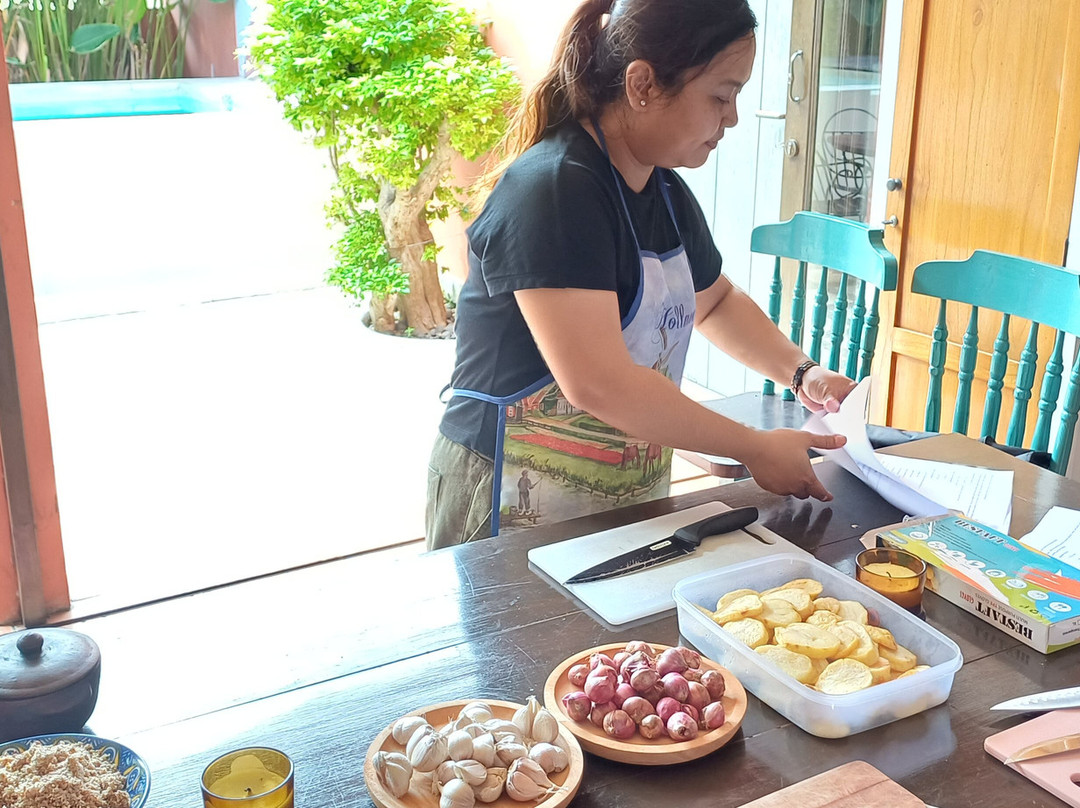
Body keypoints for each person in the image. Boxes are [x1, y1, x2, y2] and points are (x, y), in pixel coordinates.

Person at [426, 0, 854, 551]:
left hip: (622, 489)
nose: (732, 118)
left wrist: (801, 372)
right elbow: (596, 382)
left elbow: (715, 301)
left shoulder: (665, 191)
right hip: (506, 490)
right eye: (721, 95)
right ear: (642, 84)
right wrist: (752, 446)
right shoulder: (557, 190)